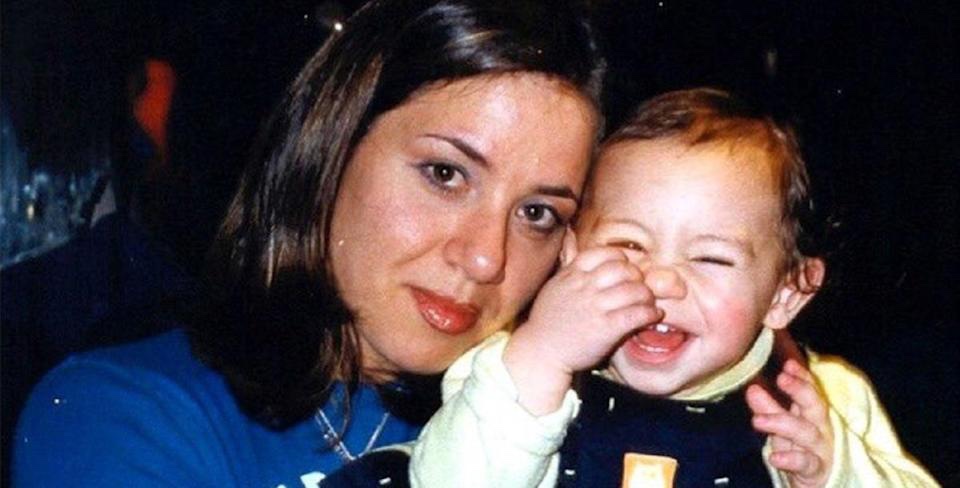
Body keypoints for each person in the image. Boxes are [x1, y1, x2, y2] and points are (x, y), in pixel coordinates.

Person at [11, 1, 607, 486]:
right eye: (445, 174)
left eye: (537, 214)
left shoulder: (573, 434)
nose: (485, 258)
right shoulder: (128, 413)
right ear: (330, 151)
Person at [408, 88, 939, 487]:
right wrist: (542, 359)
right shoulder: (508, 373)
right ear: (570, 253)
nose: (659, 280)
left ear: (785, 294)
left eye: (710, 258)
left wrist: (835, 472)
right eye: (627, 245)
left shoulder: (823, 400)